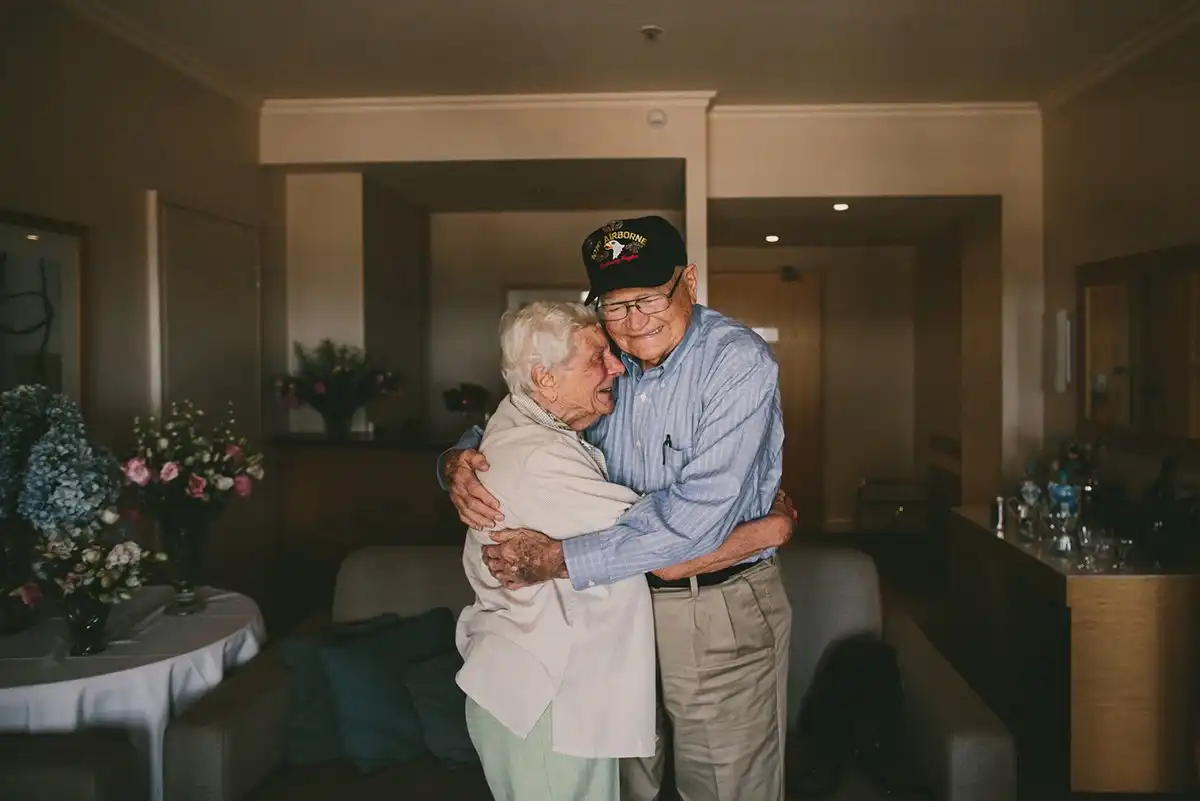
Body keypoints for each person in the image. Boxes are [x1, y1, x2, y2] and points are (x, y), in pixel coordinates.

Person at [443, 215, 794, 801]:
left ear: (689, 282)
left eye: (649, 298)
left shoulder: (735, 361)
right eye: (615, 304)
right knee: (625, 784)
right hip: (613, 616)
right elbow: (525, 411)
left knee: (725, 787)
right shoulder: (603, 353)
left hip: (710, 607)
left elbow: (693, 522)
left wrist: (561, 558)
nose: (634, 321)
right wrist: (457, 459)